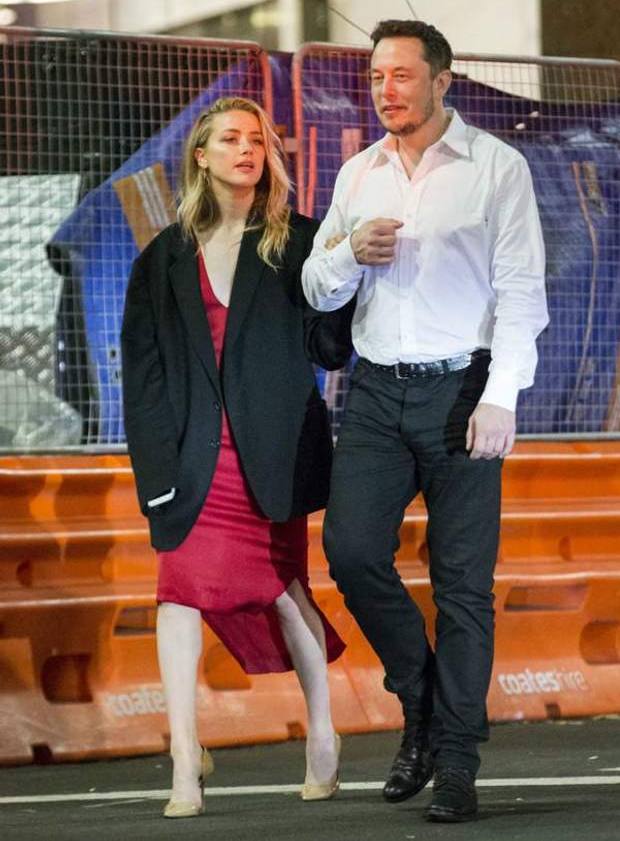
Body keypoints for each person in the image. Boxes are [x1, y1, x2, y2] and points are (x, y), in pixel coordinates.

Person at [302, 19, 548, 823]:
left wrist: (502, 395)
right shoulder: (359, 172)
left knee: (462, 586)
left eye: (402, 75)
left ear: (442, 80)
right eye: (377, 76)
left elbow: (522, 293)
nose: (387, 90)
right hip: (376, 392)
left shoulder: (497, 168)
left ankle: (457, 761)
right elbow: (315, 286)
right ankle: (423, 699)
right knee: (350, 550)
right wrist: (348, 253)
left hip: (465, 390)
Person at [121, 96, 353, 818]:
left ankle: (323, 731)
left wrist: (348, 269)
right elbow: (143, 375)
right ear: (201, 155)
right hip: (192, 457)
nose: (247, 149)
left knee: (285, 589)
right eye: (230, 138)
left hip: (272, 453)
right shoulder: (162, 258)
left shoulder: (299, 240)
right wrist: (154, 474)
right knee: (178, 592)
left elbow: (329, 346)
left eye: (258, 140)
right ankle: (183, 757)